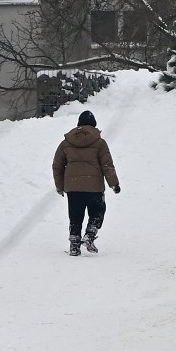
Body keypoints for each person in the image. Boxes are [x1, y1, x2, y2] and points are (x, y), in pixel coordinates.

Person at [52, 109, 121, 256]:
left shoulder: (65, 143)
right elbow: (107, 165)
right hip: (94, 187)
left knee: (75, 216)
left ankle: (74, 246)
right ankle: (89, 236)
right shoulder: (100, 143)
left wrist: (59, 186)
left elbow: (57, 166)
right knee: (98, 211)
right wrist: (114, 184)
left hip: (73, 187)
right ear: (94, 126)